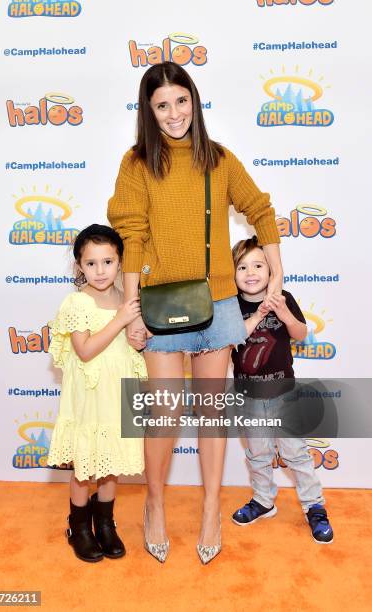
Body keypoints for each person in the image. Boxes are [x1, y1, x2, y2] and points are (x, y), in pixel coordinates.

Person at [107, 61, 282, 564]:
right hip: (162, 306)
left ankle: (210, 507)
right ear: (148, 111)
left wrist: (277, 273)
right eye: (161, 105)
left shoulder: (219, 159)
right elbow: (131, 234)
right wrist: (131, 306)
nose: (173, 113)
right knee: (164, 414)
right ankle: (155, 503)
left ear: (194, 100)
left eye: (181, 101)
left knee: (211, 415)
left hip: (219, 303)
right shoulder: (136, 162)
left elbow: (261, 209)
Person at [47, 224, 147, 562]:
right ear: (79, 266)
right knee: (84, 466)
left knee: (110, 463)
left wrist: (137, 336)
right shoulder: (77, 302)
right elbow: (86, 350)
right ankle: (79, 527)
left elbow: (132, 345)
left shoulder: (128, 300)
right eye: (91, 263)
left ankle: (105, 523)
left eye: (108, 261)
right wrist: (120, 320)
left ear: (120, 262)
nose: (100, 271)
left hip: (118, 391)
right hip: (89, 396)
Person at [231, 236, 334, 544]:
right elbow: (234, 337)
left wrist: (284, 313)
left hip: (284, 393)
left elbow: (302, 334)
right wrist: (260, 314)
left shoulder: (284, 297)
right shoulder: (229, 305)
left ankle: (314, 506)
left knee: (295, 453)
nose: (251, 272)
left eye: (259, 265)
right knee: (258, 453)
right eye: (243, 267)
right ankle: (263, 500)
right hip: (249, 397)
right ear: (232, 273)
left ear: (272, 269)